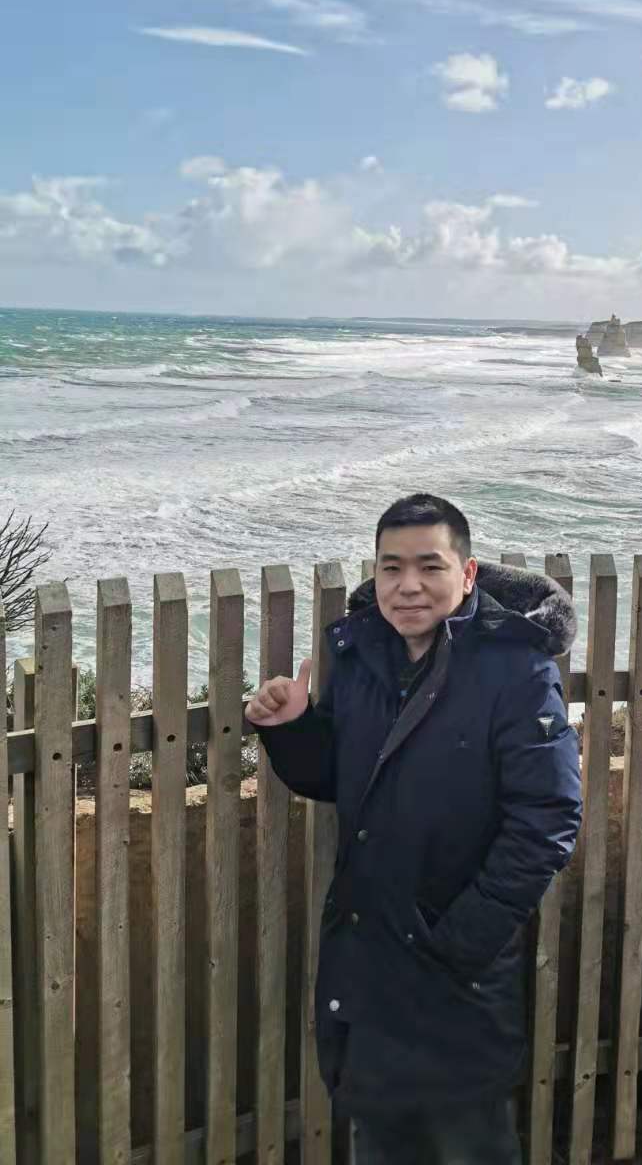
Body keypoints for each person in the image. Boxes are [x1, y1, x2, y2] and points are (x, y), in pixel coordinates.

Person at [245, 493, 583, 1165]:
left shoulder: (516, 670)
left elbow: (547, 818)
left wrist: (457, 943)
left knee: (469, 1143)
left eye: (430, 566)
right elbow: (341, 777)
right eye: (391, 567)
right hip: (369, 952)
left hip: (457, 966)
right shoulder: (361, 653)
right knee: (380, 1136)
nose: (408, 586)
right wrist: (293, 728)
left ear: (468, 573)